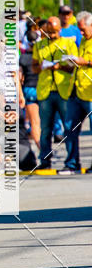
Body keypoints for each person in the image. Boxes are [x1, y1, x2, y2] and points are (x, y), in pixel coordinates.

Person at [31, 17, 78, 170]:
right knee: (45, 130)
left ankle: (71, 161)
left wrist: (59, 67)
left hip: (64, 91)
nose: (52, 35)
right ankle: (45, 161)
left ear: (60, 30)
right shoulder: (39, 45)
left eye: (55, 32)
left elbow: (74, 67)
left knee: (69, 128)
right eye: (49, 32)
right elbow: (34, 67)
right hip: (45, 92)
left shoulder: (68, 43)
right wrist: (42, 67)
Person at [60, 11, 92, 175]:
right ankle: (72, 163)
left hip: (90, 93)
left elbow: (86, 62)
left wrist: (85, 61)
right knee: (69, 128)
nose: (80, 33)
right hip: (76, 91)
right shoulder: (83, 42)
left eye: (82, 29)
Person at [19, 23, 41, 148]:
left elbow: (20, 77)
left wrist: (20, 94)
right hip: (43, 88)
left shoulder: (22, 58)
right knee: (45, 122)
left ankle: (41, 149)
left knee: (34, 122)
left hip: (29, 89)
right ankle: (45, 146)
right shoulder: (41, 55)